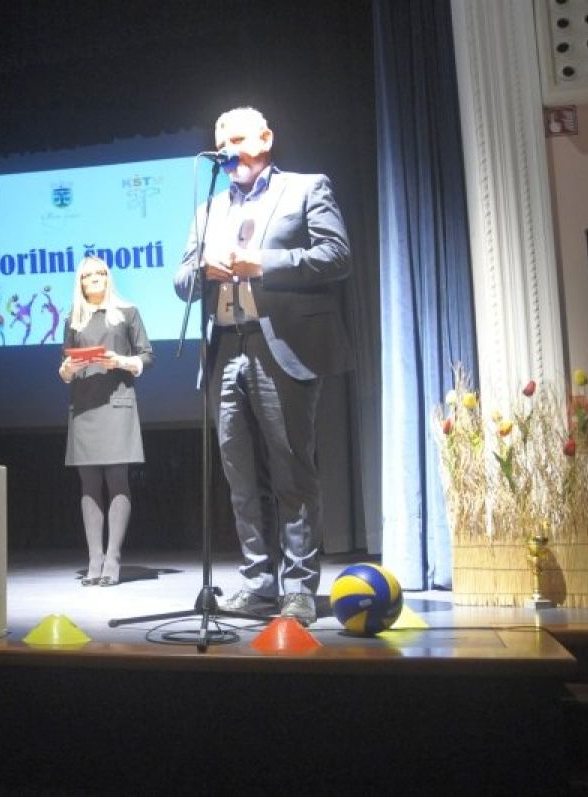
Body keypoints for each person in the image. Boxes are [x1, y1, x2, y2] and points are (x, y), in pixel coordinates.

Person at [174, 106, 353, 625]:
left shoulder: (305, 188)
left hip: (282, 345)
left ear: (265, 138)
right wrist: (203, 271)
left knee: (292, 471)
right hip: (224, 349)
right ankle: (257, 584)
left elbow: (337, 255)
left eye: (235, 140)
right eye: (221, 144)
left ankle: (298, 588)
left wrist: (264, 264)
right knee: (240, 477)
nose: (227, 152)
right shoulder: (209, 207)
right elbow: (181, 281)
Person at [59, 256, 154, 587]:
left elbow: (147, 356)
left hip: (117, 404)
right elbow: (64, 366)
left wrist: (121, 361)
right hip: (84, 406)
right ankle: (94, 560)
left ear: (108, 278)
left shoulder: (127, 312)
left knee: (117, 479)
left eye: (101, 273)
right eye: (89, 275)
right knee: (88, 483)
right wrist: (67, 369)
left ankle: (113, 559)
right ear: (81, 283)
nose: (96, 278)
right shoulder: (73, 319)